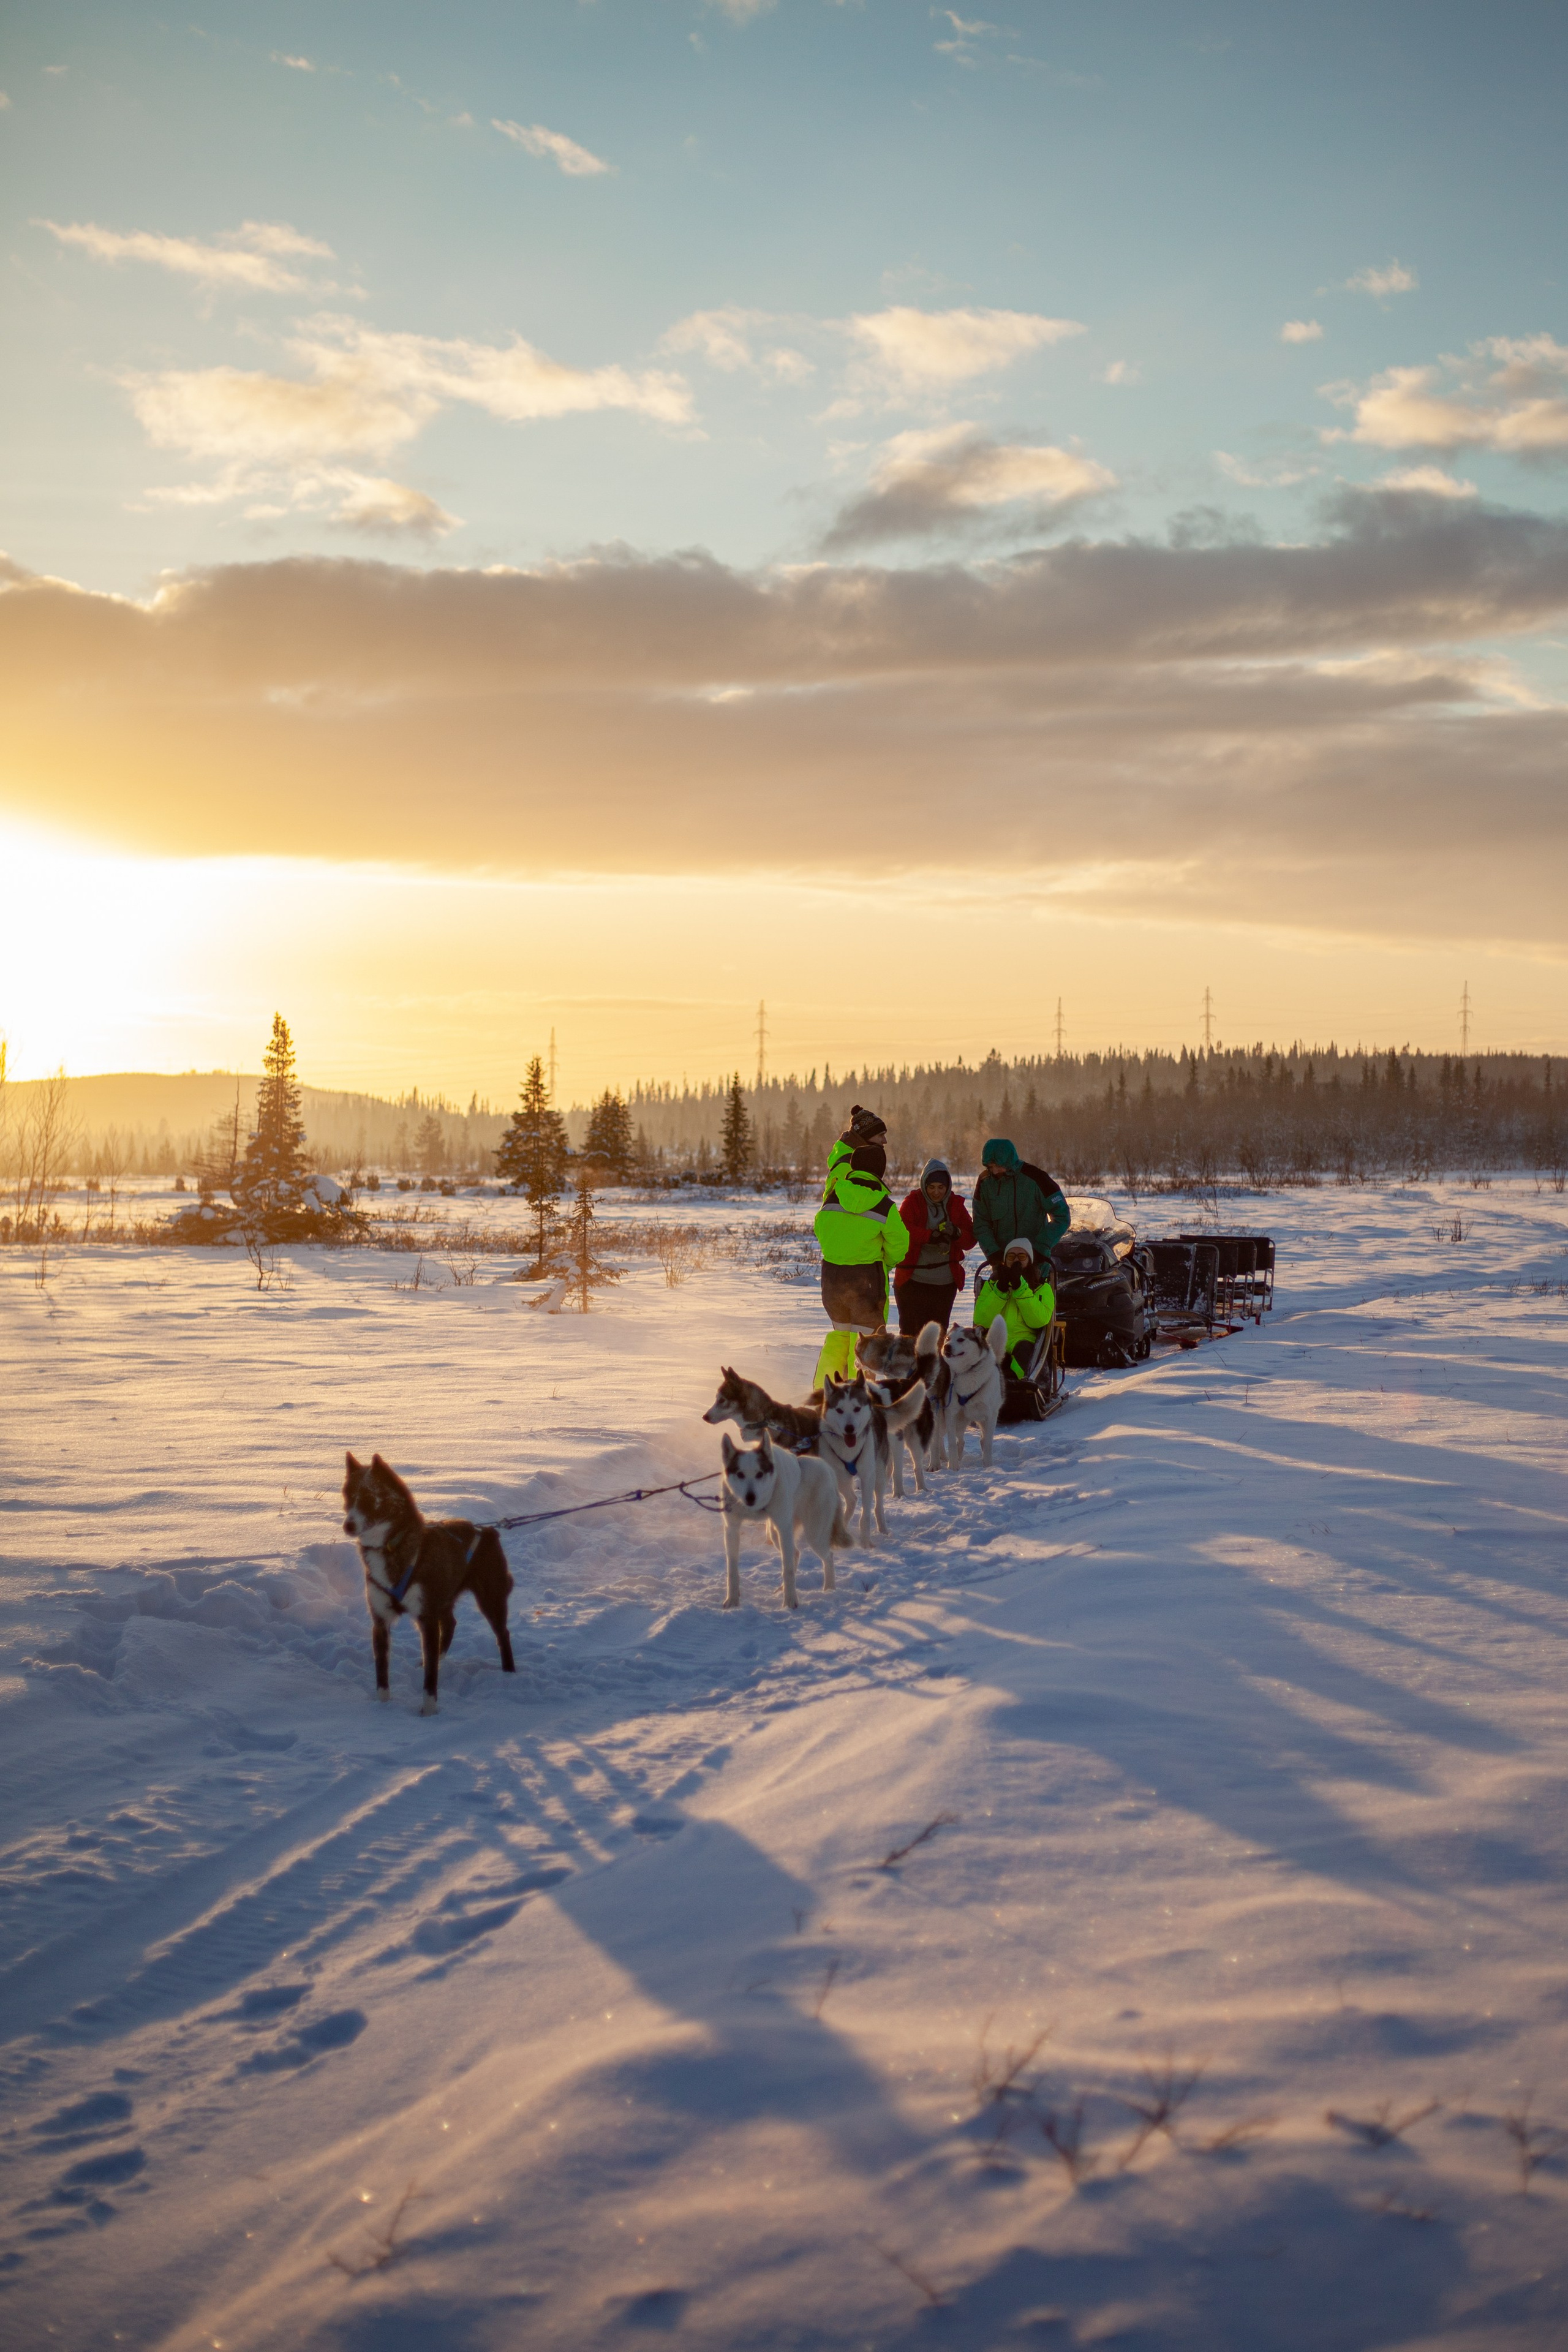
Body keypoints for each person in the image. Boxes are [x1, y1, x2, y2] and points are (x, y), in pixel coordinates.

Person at [812, 1106, 910, 1387]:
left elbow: (823, 1225)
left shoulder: (837, 1185)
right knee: (867, 1341)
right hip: (867, 1278)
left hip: (833, 1277)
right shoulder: (880, 1201)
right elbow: (899, 1243)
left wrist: (837, 1250)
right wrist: (885, 1262)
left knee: (839, 1336)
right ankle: (860, 1398)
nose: (885, 1142)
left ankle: (824, 1393)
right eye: (881, 1135)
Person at [893, 1156, 974, 1335]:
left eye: (941, 1187)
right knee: (910, 1335)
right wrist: (930, 1236)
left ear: (948, 1186)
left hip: (944, 1284)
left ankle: (933, 1363)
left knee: (936, 1335)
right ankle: (910, 1364)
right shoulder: (912, 1202)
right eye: (931, 1187)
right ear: (924, 1185)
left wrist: (956, 1233)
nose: (936, 1192)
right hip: (913, 1281)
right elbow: (903, 1230)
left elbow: (970, 1239)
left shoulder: (956, 1205)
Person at [973, 1137, 1069, 1273]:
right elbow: (980, 1222)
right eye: (990, 1167)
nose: (994, 1172)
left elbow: (1062, 1216)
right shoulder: (985, 1182)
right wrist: (992, 1252)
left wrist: (1041, 1247)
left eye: (998, 1167)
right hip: (1002, 1265)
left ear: (1009, 1162)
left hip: (1036, 1265)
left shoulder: (1037, 1178)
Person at [974, 1237, 1057, 1379]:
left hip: (1025, 1341)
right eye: (1011, 1256)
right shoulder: (992, 1286)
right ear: (1005, 1260)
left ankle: (1029, 1385)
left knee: (1025, 1358)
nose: (1016, 1260)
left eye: (1022, 1256)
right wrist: (1000, 1290)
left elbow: (1039, 1321)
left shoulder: (1042, 1288)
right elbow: (981, 1320)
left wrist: (1020, 1288)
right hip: (995, 1339)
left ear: (1029, 1260)